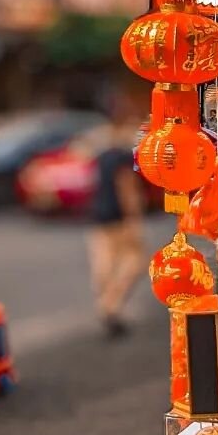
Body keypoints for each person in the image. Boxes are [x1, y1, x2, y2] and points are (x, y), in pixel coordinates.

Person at [87, 113, 146, 338]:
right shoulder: (123, 157)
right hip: (119, 217)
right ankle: (110, 305)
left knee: (105, 264)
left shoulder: (102, 156)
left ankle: (107, 305)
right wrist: (134, 220)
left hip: (99, 216)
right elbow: (127, 189)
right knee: (135, 262)